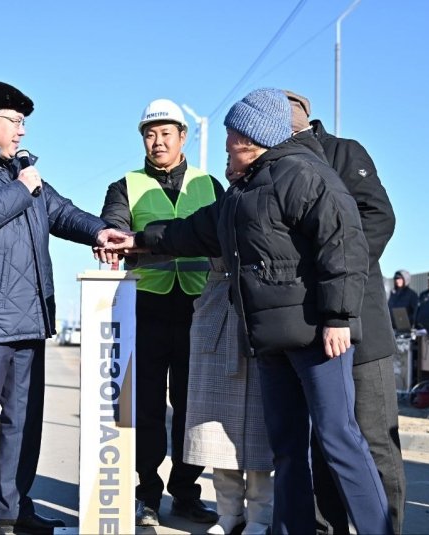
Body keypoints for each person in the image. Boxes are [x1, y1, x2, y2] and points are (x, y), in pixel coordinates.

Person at [107, 88, 392, 535]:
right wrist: (138, 241)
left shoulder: (303, 174)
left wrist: (337, 317)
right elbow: (194, 231)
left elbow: (344, 244)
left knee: (339, 440)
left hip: (318, 335)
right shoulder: (243, 192)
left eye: (230, 137)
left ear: (251, 139)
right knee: (287, 448)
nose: (223, 146)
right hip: (270, 339)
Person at [0, 81, 128, 535]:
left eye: (23, 123)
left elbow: (61, 212)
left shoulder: (21, 171)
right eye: (15, 121)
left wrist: (100, 233)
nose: (21, 131)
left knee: (24, 421)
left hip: (28, 315)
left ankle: (14, 509)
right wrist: (20, 188)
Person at [285, 90, 406, 534]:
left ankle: (387, 527)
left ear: (301, 115)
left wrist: (336, 270)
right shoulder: (274, 165)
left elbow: (379, 217)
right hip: (310, 328)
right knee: (324, 441)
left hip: (362, 325)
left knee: (374, 438)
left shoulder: (344, 152)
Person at [100, 98, 223, 528]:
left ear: (183, 136)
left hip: (199, 306)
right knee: (148, 406)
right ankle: (147, 493)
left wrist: (146, 240)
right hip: (146, 306)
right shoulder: (126, 186)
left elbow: (224, 237)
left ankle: (186, 491)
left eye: (165, 133)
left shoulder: (211, 185)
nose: (157, 142)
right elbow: (115, 234)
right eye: (150, 135)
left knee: (193, 405)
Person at [185, 158, 273, 535]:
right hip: (217, 310)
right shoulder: (218, 210)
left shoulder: (270, 200)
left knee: (258, 430)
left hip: (258, 316)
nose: (231, 164)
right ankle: (228, 511)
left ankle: (260, 517)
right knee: (214, 428)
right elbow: (178, 235)